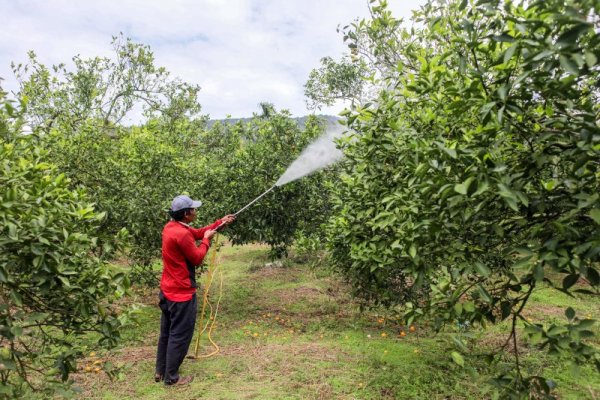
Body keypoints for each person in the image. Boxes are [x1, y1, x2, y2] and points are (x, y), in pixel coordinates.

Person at [155, 194, 235, 386]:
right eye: (193, 209)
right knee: (180, 336)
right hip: (181, 295)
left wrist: (220, 223)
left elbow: (197, 233)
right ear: (186, 214)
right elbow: (197, 257)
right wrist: (206, 241)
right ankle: (172, 378)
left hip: (167, 292)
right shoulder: (181, 234)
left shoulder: (171, 227)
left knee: (166, 333)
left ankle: (161, 370)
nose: (195, 212)